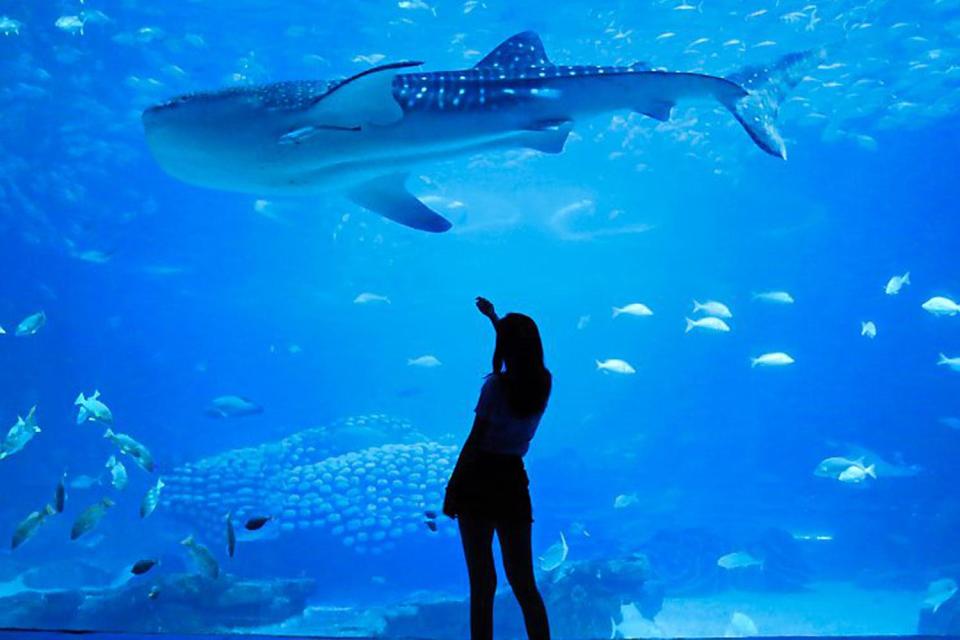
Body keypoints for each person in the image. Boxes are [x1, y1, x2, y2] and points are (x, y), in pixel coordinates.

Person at [443, 297, 552, 640]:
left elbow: (474, 441)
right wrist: (493, 319)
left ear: (506, 346)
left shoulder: (494, 386)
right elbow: (518, 352)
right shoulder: (543, 383)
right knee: (523, 582)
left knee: (482, 581)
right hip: (513, 482)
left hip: (479, 480)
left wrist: (452, 489)